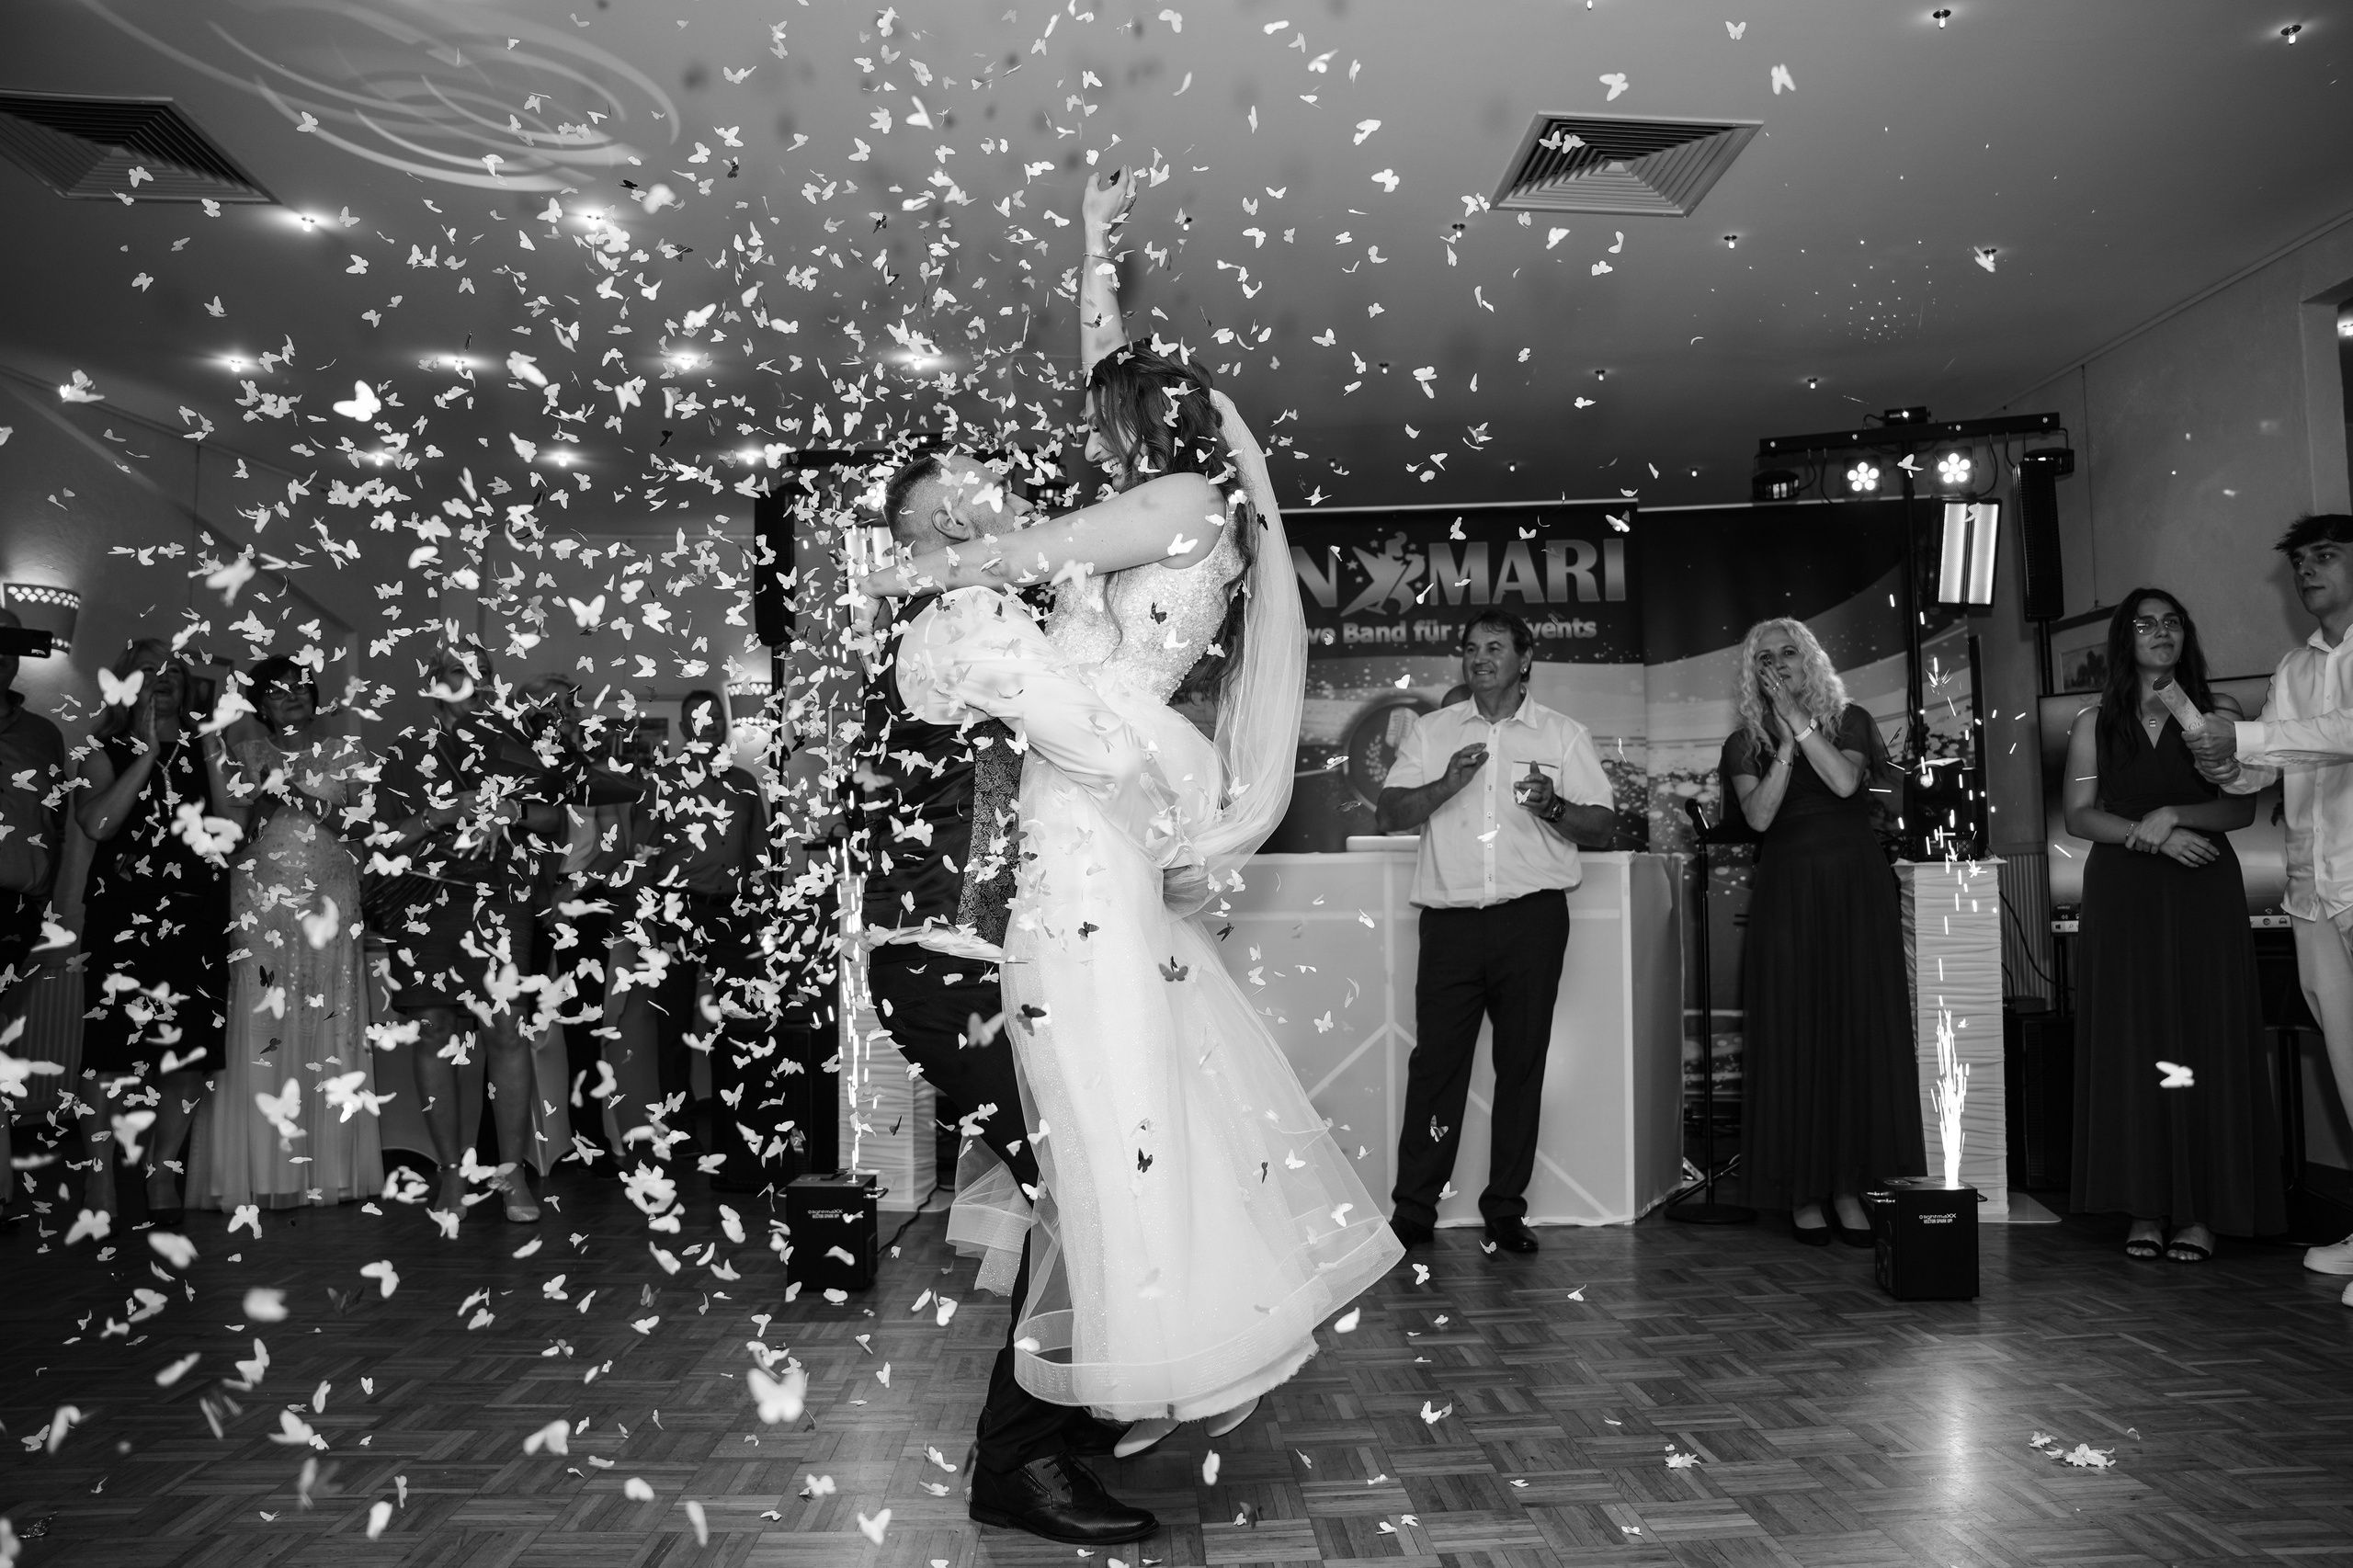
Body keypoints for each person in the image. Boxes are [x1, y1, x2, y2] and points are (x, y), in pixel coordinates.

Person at [861, 165, 1401, 1498]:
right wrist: (1092, 252)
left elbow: (1027, 550)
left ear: (1141, 435)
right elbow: (1101, 397)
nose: (1077, 440)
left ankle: (1065, 1427)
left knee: (1111, 1149)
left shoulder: (1180, 508)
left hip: (1091, 817)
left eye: (1100, 426)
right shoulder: (1152, 500)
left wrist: (912, 565)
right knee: (1101, 1150)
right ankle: (1063, 1426)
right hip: (1068, 823)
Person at [1373, 612, 1619, 1253]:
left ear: (1525, 658)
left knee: (1521, 1066)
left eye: (1494, 647)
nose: (1480, 658)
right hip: (1450, 923)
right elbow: (1390, 813)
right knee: (1436, 1071)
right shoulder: (1431, 734)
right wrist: (1447, 783)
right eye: (1471, 649)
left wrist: (1554, 807)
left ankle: (1505, 1209)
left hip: (1531, 921)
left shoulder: (1563, 736)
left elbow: (1602, 825)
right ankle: (1414, 1210)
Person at [2063, 592, 2279, 1260]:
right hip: (2124, 894)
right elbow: (2078, 816)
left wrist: (2179, 818)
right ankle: (2146, 1205)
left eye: (2172, 623)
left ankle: (2200, 1209)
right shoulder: (2093, 722)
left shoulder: (2220, 716)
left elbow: (2241, 812)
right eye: (2144, 624)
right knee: (2136, 1041)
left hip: (2201, 891)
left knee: (2200, 1039)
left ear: (2186, 635)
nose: (2160, 633)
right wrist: (2151, 829)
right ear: (2122, 639)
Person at [2187, 514, 2353, 1304]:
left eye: (2326, 557)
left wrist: (2247, 738)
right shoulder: (2295, 664)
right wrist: (2224, 760)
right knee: (2350, 1069)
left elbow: (2344, 732)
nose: (2308, 572)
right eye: (2300, 561)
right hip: (2312, 893)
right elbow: (2269, 770)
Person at [1715, 618, 1920, 1243]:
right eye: (1766, 659)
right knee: (1796, 1031)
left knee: (1855, 1033)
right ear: (1756, 676)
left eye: (1789, 654)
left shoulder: (1850, 721)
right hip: (1789, 894)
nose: (1779, 665)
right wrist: (1779, 743)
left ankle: (1850, 1187)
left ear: (1811, 662)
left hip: (1855, 890)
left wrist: (1799, 725)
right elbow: (1758, 817)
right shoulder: (1742, 743)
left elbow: (1843, 781)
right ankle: (1803, 1191)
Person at [371, 642, 566, 1222]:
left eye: (483, 671)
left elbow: (553, 816)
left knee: (505, 1030)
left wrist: (512, 814)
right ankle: (451, 1174)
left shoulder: (516, 740)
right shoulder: (408, 749)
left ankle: (511, 1176)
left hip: (501, 899)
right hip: (425, 902)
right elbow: (386, 841)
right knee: (434, 1030)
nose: (474, 680)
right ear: (433, 683)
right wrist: (443, 812)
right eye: (459, 671)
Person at [187, 654, 381, 1210]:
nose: (291, 695)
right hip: (261, 901)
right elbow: (232, 829)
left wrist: (293, 793)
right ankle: (262, 1171)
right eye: (276, 691)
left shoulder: (348, 751)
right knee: (263, 1015)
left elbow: (365, 825)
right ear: (261, 705)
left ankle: (333, 1170)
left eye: (299, 687)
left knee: (329, 1014)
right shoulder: (246, 754)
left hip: (332, 896)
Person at [71, 641, 239, 1223]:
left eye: (172, 672)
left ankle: (162, 1172)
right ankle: (100, 1186)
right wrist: (144, 755)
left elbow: (230, 833)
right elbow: (98, 822)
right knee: (110, 1054)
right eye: (147, 671)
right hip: (122, 918)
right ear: (123, 684)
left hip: (195, 915)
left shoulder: (205, 747)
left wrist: (212, 750)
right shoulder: (102, 749)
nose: (161, 679)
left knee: (186, 1056)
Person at [602, 688, 771, 1189]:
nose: (709, 723)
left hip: (731, 916)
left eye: (716, 716)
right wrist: (645, 917)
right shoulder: (663, 783)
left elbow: (761, 858)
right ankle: (676, 1128)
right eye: (699, 716)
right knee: (671, 1023)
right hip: (674, 912)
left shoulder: (744, 784)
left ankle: (736, 1128)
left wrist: (763, 915)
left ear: (722, 724)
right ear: (684, 725)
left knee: (739, 1021)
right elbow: (641, 854)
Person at [0, 608, 68, 1223]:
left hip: (18, 909)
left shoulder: (44, 735)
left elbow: (55, 822)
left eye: (8, 645)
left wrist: (45, 903)